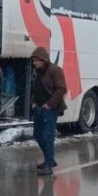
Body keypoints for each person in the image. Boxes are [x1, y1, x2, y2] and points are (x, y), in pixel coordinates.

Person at [30, 46, 67, 176]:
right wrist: (34, 103)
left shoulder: (55, 70)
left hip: (50, 109)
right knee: (37, 135)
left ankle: (49, 166)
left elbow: (62, 89)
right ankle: (49, 159)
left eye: (36, 60)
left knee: (47, 136)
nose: (34, 63)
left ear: (44, 60)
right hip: (39, 108)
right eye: (34, 60)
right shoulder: (36, 71)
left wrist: (49, 104)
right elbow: (35, 88)